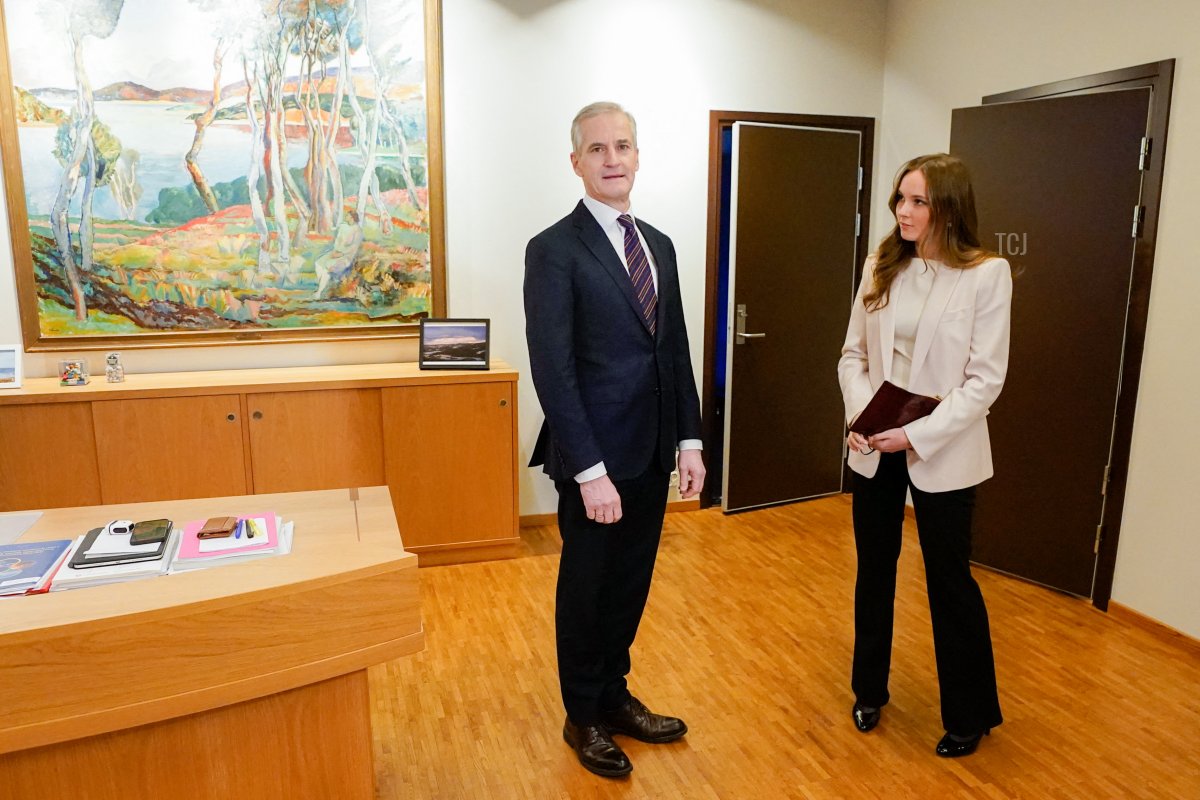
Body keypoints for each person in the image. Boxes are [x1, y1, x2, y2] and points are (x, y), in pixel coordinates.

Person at [524, 101, 706, 779]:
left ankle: (615, 695)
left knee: (630, 585)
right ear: (577, 162)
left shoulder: (657, 243)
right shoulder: (554, 250)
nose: (611, 160)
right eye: (596, 149)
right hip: (595, 457)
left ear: (636, 155)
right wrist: (590, 471)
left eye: (622, 146)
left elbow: (675, 348)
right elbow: (555, 366)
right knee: (587, 588)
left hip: (654, 449)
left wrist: (689, 441)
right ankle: (584, 715)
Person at [836, 153, 1010, 758]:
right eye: (900, 200)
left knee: (950, 583)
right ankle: (868, 691)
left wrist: (914, 436)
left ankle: (970, 713)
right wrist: (862, 417)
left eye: (917, 201)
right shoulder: (881, 266)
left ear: (948, 208)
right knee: (873, 572)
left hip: (942, 450)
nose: (903, 212)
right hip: (873, 443)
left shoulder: (987, 275)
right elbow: (852, 356)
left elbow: (984, 382)